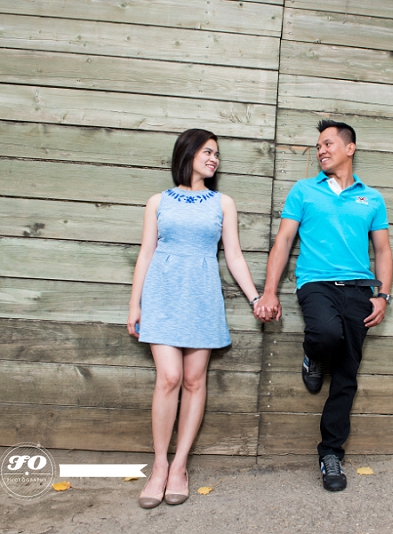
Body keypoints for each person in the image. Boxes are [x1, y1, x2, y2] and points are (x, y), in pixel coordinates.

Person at [256, 120, 393, 491]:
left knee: (347, 375)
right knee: (325, 334)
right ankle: (313, 356)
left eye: (328, 143)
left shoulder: (372, 198)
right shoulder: (304, 191)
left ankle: (331, 454)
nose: (321, 150)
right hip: (316, 283)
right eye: (318, 146)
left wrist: (383, 295)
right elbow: (283, 242)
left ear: (350, 148)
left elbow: (382, 250)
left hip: (360, 290)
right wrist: (268, 292)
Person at [127, 128, 262, 508]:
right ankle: (158, 466)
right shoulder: (157, 202)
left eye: (217, 154)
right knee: (168, 378)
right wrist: (135, 304)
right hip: (163, 294)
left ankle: (179, 467)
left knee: (192, 380)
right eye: (207, 151)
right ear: (187, 154)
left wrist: (254, 297)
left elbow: (233, 256)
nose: (214, 159)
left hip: (202, 295)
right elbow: (145, 253)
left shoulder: (223, 203)